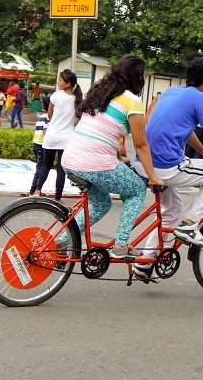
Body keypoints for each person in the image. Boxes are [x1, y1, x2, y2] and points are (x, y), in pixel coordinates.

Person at [131, 56, 203, 281]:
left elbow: (188, 130)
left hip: (144, 163)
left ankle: (143, 265)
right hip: (167, 167)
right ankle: (191, 224)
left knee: (172, 209)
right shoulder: (200, 98)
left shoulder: (171, 92)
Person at [61, 55, 162, 258]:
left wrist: (117, 157)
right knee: (136, 190)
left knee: (101, 203)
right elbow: (141, 144)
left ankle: (63, 241)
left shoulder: (99, 93)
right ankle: (121, 246)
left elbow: (102, 131)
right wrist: (152, 177)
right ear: (137, 77)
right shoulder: (133, 101)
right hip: (95, 164)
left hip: (70, 160)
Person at [34, 70, 81, 202]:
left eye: (60, 80)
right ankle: (57, 197)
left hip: (52, 136)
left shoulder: (56, 96)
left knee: (46, 165)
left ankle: (38, 191)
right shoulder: (77, 99)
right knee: (61, 169)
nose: (58, 82)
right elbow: (78, 119)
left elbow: (49, 115)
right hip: (67, 139)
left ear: (68, 84)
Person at [29, 110, 49, 196]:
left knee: (39, 167)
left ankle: (34, 190)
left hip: (36, 143)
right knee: (41, 168)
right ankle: (34, 190)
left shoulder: (41, 117)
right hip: (42, 144)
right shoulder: (48, 118)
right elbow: (45, 131)